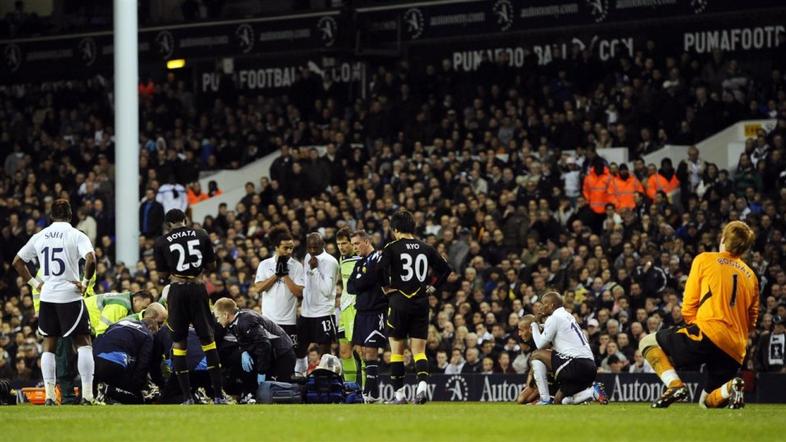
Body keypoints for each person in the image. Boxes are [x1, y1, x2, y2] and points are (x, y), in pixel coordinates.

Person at [640, 221, 758, 409]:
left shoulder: (705, 260)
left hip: (708, 331)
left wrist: (696, 327)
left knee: (647, 342)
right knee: (706, 403)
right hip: (735, 348)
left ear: (723, 239)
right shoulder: (751, 276)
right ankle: (731, 387)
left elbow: (689, 303)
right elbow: (753, 319)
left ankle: (675, 386)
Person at [12, 199, 98, 405]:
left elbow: (17, 262)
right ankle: (87, 395)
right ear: (70, 215)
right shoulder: (77, 235)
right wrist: (85, 282)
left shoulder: (39, 236)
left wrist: (35, 283)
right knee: (84, 343)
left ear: (51, 216)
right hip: (70, 295)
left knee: (48, 345)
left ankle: (50, 396)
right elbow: (91, 259)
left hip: (48, 296)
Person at [378, 210, 451, 404]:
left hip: (399, 301)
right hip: (420, 302)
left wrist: (387, 289)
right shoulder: (426, 247)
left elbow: (380, 271)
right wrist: (433, 287)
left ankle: (399, 396)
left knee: (397, 351)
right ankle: (422, 389)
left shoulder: (391, 247)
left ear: (395, 229)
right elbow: (446, 270)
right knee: (419, 351)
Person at [153, 208, 225, 404]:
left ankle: (186, 398)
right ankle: (218, 395)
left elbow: (160, 274)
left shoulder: (161, 241)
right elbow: (212, 265)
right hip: (197, 288)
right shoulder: (201, 234)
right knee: (208, 341)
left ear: (168, 224)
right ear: (185, 220)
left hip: (176, 291)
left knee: (179, 343)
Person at [529, 292, 608, 405]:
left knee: (536, 355)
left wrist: (534, 325)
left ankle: (544, 399)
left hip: (575, 364)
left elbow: (540, 345)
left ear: (551, 305)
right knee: (559, 401)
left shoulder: (555, 317)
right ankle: (592, 393)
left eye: (543, 303)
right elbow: (552, 330)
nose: (541, 307)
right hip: (590, 366)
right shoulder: (567, 316)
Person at [213, 298, 296, 396]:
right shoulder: (236, 322)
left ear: (226, 315)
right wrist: (244, 351)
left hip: (283, 354)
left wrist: (261, 372)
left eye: (218, 317)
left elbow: (264, 345)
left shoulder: (246, 321)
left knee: (282, 392)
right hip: (275, 354)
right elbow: (246, 340)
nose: (218, 321)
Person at [253, 226, 304, 375]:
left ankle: (287, 389)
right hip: (268, 320)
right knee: (268, 357)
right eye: (285, 248)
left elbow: (298, 293)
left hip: (288, 321)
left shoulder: (297, 266)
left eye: (291, 248)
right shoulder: (265, 264)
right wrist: (276, 275)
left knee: (288, 359)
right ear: (276, 247)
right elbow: (258, 288)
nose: (289, 251)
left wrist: (285, 275)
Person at [347, 230, 389, 403]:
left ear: (366, 241)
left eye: (357, 243)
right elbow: (350, 286)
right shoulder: (360, 263)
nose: (354, 247)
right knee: (362, 351)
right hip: (361, 312)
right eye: (353, 244)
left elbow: (367, 280)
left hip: (375, 311)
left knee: (371, 351)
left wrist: (361, 280)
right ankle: (372, 393)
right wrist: (361, 279)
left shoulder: (377, 258)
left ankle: (371, 393)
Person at [296, 233, 339, 375]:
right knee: (300, 348)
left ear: (323, 245)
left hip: (324, 312)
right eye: (309, 247)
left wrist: (315, 270)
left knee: (325, 351)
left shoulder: (330, 262)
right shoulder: (308, 257)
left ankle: (327, 377)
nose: (312, 251)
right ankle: (300, 375)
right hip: (306, 312)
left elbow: (327, 291)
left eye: (315, 247)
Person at [93, 318, 159, 404]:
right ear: (150, 328)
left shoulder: (118, 323)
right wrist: (138, 387)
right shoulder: (147, 334)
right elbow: (142, 366)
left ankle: (100, 393)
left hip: (95, 359)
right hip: (115, 363)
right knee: (138, 399)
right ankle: (107, 390)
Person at [335, 228, 362, 385]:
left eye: (344, 243)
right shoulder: (341, 258)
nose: (341, 247)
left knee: (362, 351)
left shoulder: (361, 259)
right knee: (344, 352)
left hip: (357, 309)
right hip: (345, 311)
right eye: (338, 244)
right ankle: (351, 387)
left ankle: (367, 391)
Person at [84, 290, 154, 336]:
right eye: (143, 307)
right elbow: (103, 329)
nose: (143, 311)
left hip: (83, 319)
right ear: (136, 300)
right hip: (80, 319)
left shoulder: (124, 301)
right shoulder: (120, 306)